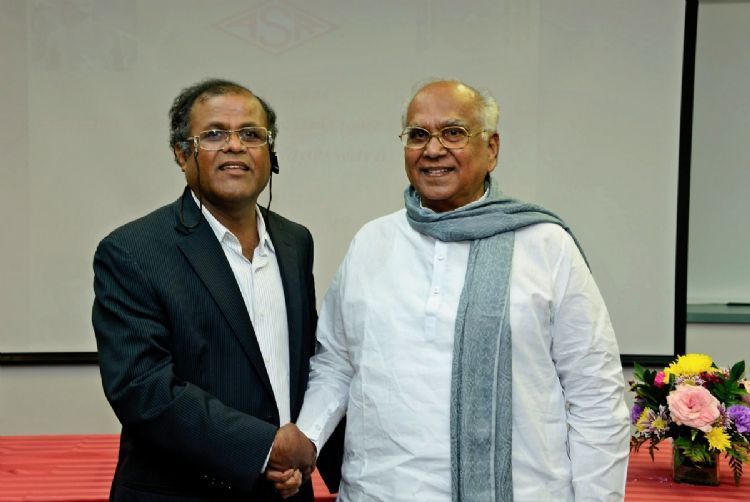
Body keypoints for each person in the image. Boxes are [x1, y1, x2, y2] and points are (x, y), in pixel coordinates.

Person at [294, 80, 630, 501]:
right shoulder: (372, 243)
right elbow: (336, 364)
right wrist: (305, 440)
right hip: (380, 490)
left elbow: (595, 393)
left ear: (492, 149)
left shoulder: (546, 246)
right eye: (418, 135)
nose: (433, 150)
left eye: (453, 133)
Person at [92, 78, 333, 501]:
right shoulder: (133, 250)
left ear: (270, 153)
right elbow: (142, 389)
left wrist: (304, 446)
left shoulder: (295, 242)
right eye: (215, 134)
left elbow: (304, 365)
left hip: (286, 491)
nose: (235, 146)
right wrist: (265, 448)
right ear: (181, 153)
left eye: (251, 134)